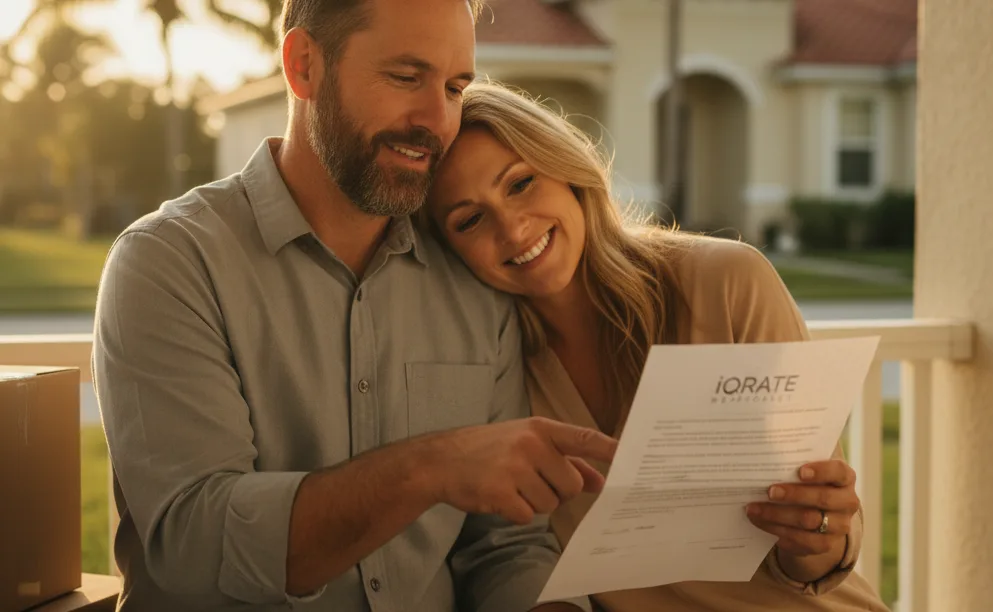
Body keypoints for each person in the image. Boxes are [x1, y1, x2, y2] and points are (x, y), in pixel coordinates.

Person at [91, 2, 617, 611]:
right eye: (405, 77)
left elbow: (504, 547)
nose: (436, 120)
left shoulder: (471, 270)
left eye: (453, 87)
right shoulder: (169, 265)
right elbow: (194, 548)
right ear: (304, 66)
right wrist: (429, 468)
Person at [424, 81, 891, 611]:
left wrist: (817, 536)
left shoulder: (728, 282)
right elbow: (508, 554)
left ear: (566, 169)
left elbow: (817, 550)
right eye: (469, 219)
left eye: (521, 184)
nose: (512, 229)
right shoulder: (491, 370)